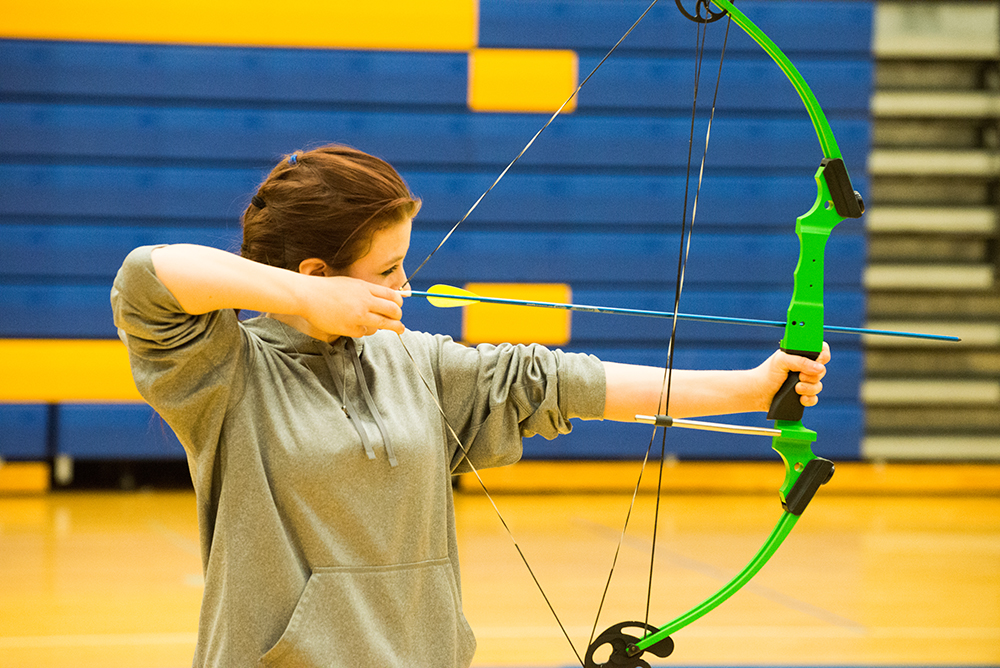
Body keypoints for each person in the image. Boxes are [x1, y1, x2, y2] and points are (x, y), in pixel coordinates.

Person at [111, 144, 829, 667]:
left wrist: (753, 389)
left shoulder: (412, 362)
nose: (405, 285)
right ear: (317, 275)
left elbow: (557, 381)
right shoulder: (228, 375)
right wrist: (303, 301)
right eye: (387, 270)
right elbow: (146, 277)